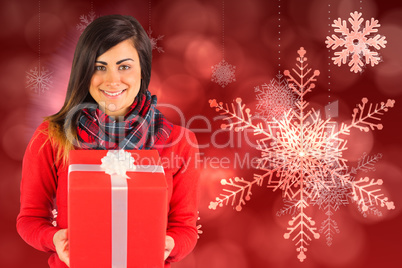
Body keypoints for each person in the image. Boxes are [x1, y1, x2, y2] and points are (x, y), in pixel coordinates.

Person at [17, 15, 200, 268]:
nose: (112, 80)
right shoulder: (51, 137)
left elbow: (185, 228)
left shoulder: (178, 143)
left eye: (124, 66)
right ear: (84, 70)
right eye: (99, 67)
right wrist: (54, 238)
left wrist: (170, 244)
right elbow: (30, 218)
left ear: (143, 69)